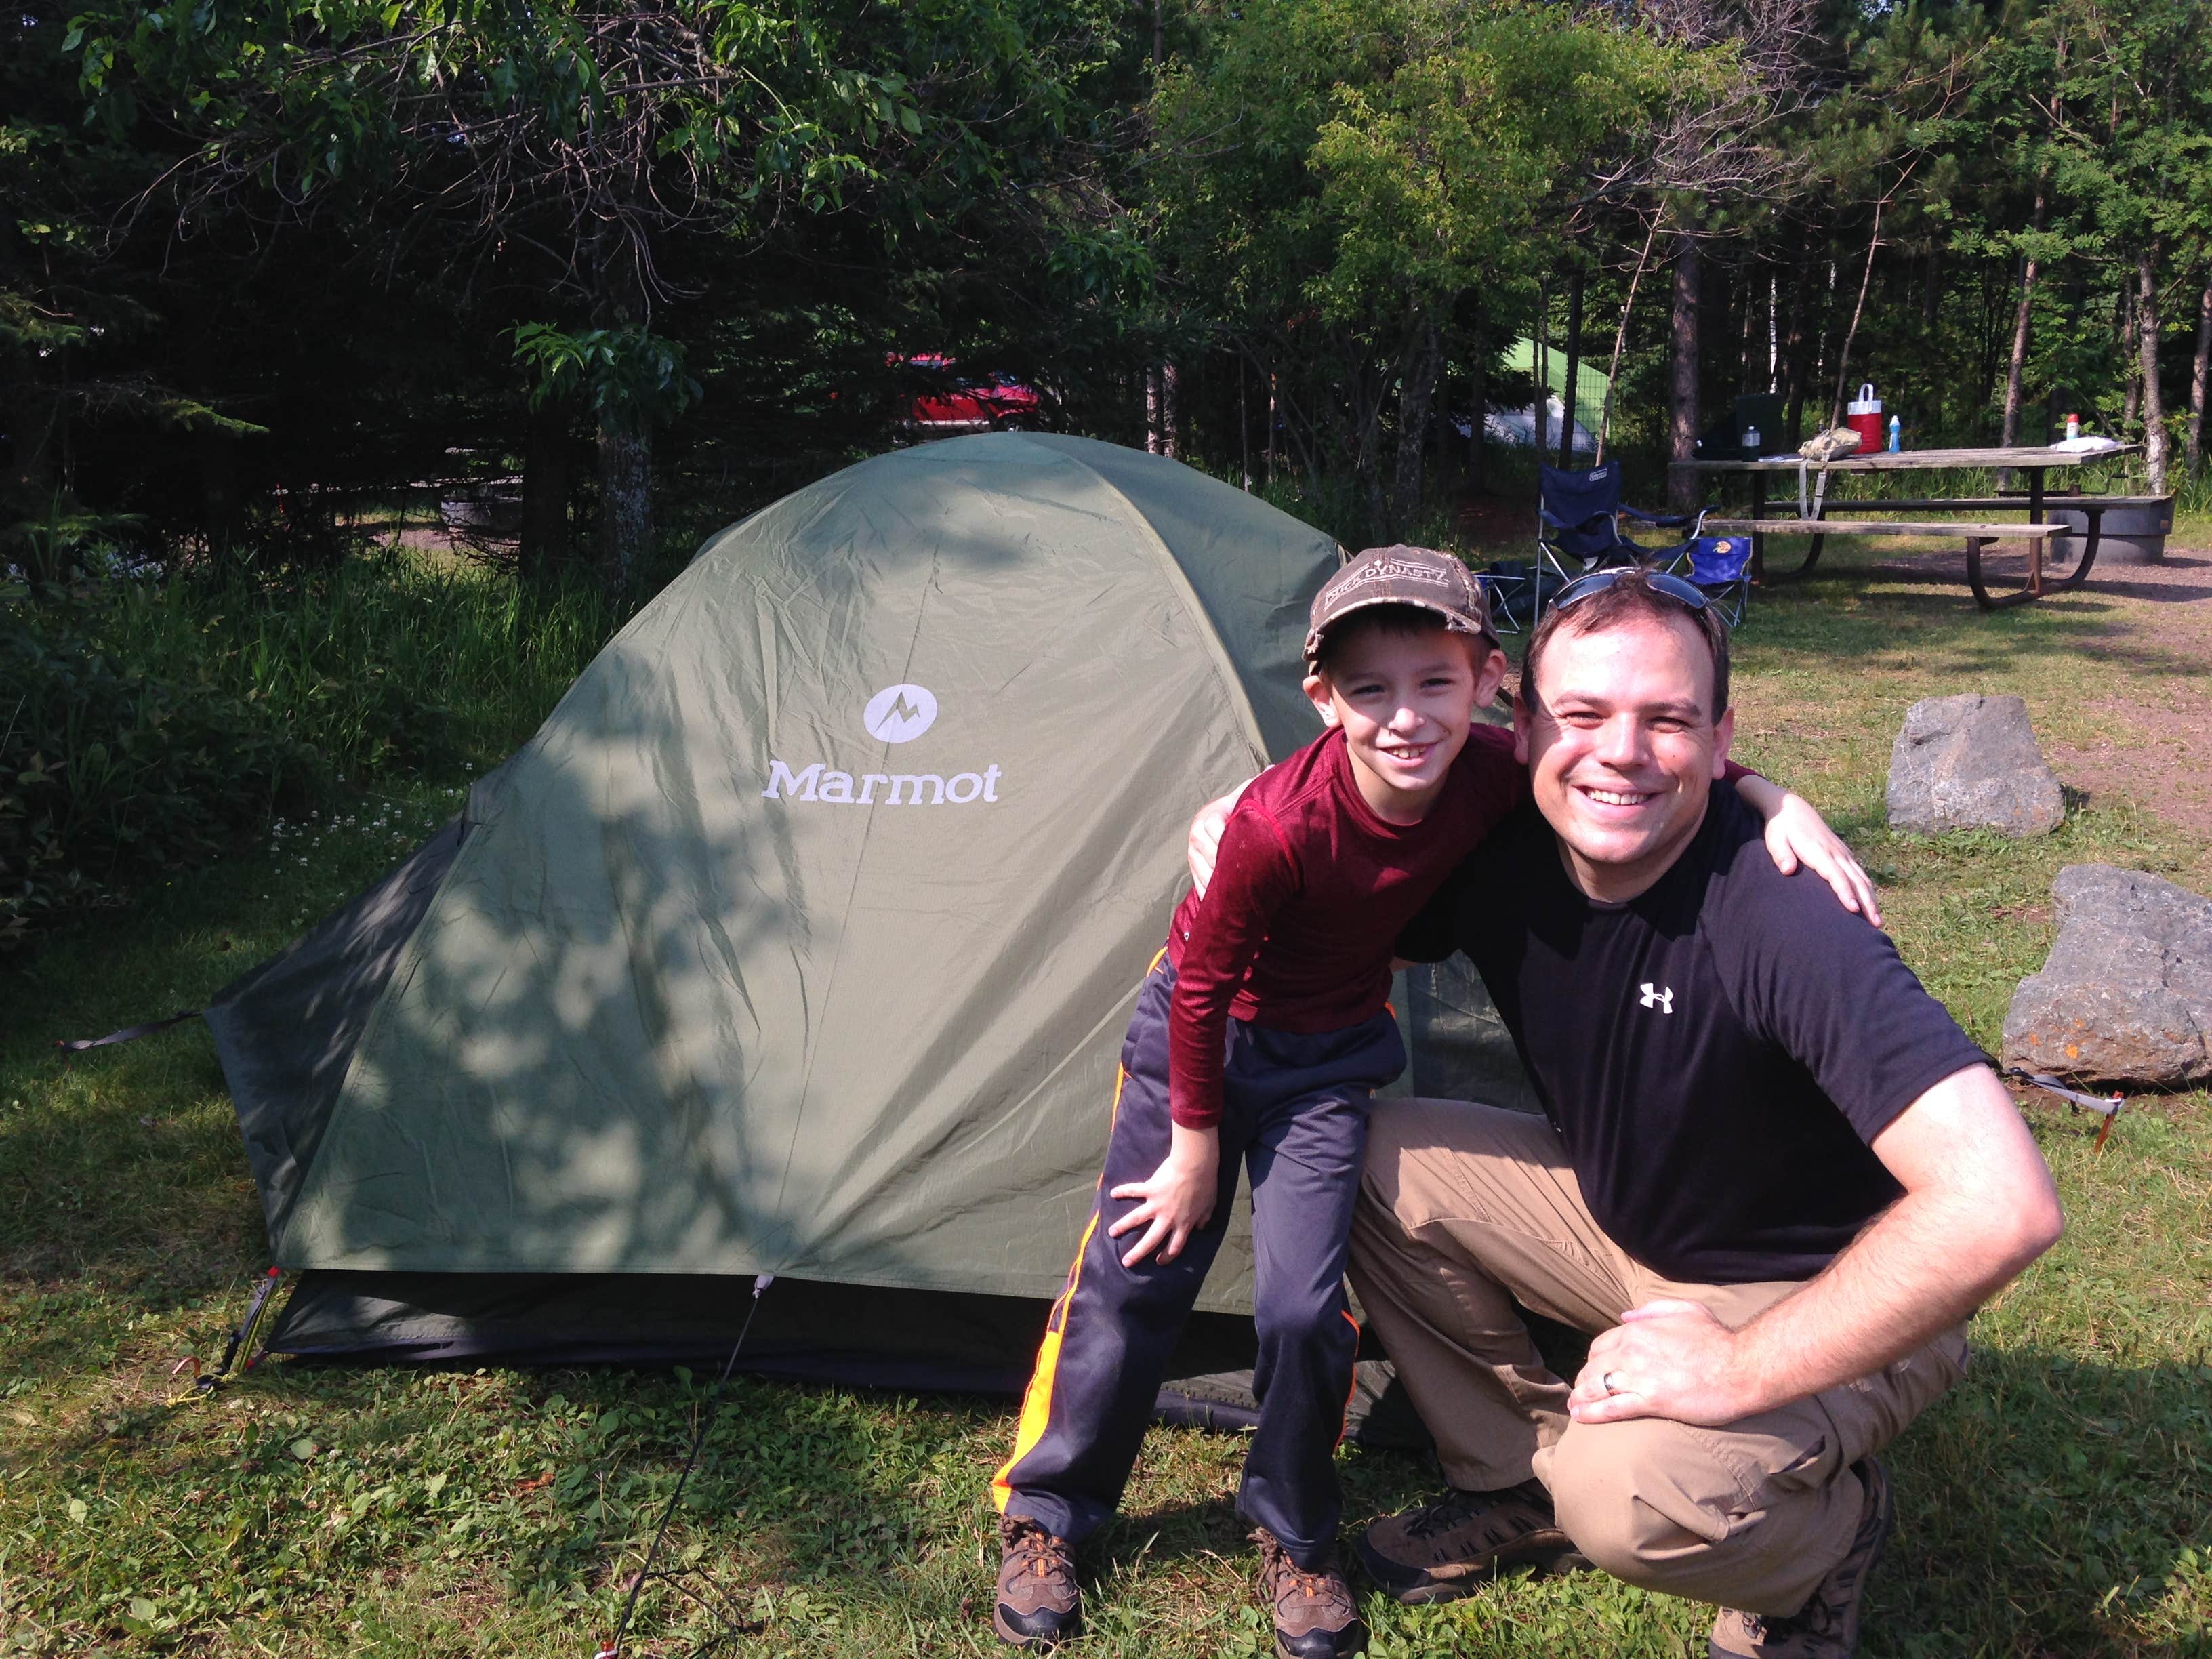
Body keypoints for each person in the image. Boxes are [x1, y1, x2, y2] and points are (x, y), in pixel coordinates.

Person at [989, 548, 1862, 1659]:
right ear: (1323, 700)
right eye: (1370, 691)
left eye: (1435, 683)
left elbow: (1629, 757)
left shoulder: (1498, 775)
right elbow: (1201, 986)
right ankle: (1050, 1515)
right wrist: (1196, 1145)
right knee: (1135, 1276)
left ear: (1491, 680)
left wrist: (1772, 793)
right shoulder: (1272, 826)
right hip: (1195, 1049)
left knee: (1305, 1308)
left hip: (1327, 1066)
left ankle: (1296, 1533)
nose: (1406, 719)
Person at [1328, 569, 2066, 1659]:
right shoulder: (1506, 837)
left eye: (1665, 719)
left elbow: (2003, 1206)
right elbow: (1351, 829)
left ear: (1721, 741)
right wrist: (1234, 822)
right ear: (1521, 729)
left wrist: (1740, 1369)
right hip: (1630, 1226)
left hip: (1822, 1280)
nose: (1619, 752)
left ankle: (1830, 1542)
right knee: (1361, 1150)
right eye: (1581, 715)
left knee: (1629, 1497)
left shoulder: (1780, 911)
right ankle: (1515, 1476)